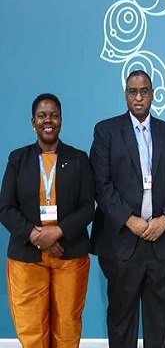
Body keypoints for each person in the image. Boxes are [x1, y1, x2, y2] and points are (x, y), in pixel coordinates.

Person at [90, 70, 165, 348]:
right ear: (125, 94)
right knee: (122, 321)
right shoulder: (107, 131)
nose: (138, 97)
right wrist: (128, 219)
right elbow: (102, 184)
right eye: (133, 92)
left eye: (144, 91)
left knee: (158, 322)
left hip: (162, 241)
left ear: (152, 94)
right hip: (123, 242)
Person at [0, 93, 95, 347]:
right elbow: (5, 208)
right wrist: (37, 237)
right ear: (33, 122)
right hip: (27, 257)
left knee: (67, 327)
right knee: (32, 330)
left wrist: (58, 232)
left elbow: (88, 207)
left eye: (53, 115)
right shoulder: (17, 159)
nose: (48, 120)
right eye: (42, 116)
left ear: (61, 120)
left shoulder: (78, 159)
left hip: (70, 254)